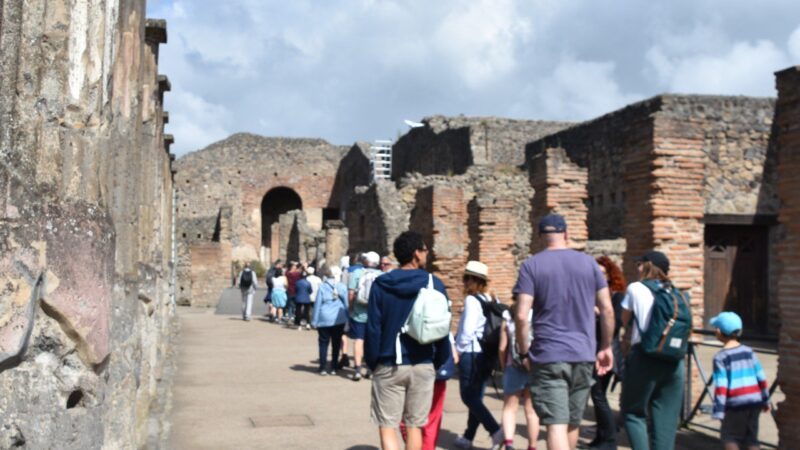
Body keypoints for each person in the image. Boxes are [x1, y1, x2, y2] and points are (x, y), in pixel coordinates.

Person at [513, 214, 614, 450]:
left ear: (540, 237)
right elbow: (607, 310)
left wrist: (524, 351)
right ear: (566, 234)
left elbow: (520, 315)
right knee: (571, 422)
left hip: (549, 355)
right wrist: (606, 347)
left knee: (556, 424)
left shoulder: (531, 265)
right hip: (583, 354)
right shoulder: (589, 263)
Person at [365, 231, 452, 450]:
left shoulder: (381, 284)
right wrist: (439, 360)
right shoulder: (435, 284)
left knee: (388, 425)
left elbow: (374, 328)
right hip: (422, 362)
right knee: (415, 426)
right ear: (415, 254)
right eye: (424, 249)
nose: (427, 253)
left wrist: (373, 362)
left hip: (389, 362)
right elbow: (442, 326)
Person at [620, 251, 683, 450]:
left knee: (633, 413)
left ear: (646, 265)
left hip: (645, 356)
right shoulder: (675, 291)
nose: (636, 268)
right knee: (666, 419)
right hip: (674, 360)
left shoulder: (636, 288)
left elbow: (624, 319)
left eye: (639, 263)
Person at [453, 261, 504, 449]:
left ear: (472, 280)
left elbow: (467, 331)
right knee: (477, 397)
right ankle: (468, 437)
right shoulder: (492, 299)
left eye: (466, 278)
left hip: (472, 353)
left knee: (468, 396)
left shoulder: (472, 301)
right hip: (487, 353)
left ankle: (495, 431)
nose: (463, 282)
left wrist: (457, 350)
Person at [710, 312, 770, 450]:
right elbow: (761, 377)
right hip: (754, 402)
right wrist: (765, 400)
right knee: (752, 439)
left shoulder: (721, 357)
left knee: (730, 437)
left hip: (734, 404)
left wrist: (719, 410)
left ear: (719, 331)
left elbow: (721, 386)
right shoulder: (749, 351)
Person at [588, 256, 626, 450]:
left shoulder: (617, 295)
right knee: (597, 394)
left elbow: (617, 322)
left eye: (603, 273)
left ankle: (610, 440)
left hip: (609, 352)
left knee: (598, 395)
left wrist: (599, 312)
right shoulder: (592, 293)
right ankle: (601, 437)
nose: (600, 276)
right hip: (593, 349)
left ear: (611, 274)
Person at [400, 334, 458, 450]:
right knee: (432, 421)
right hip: (435, 372)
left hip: (408, 368)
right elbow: (454, 357)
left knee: (407, 419)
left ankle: (414, 445)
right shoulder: (441, 317)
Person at [498, 298, 538, 450]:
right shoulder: (538, 314)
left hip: (513, 366)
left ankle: (509, 444)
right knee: (531, 411)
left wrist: (504, 367)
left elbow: (502, 347)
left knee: (510, 408)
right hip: (534, 367)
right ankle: (532, 446)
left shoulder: (508, 315)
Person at [348, 251, 382, 381]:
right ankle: (370, 369)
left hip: (359, 313)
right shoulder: (381, 275)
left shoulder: (357, 273)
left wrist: (350, 308)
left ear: (366, 261)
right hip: (375, 314)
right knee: (372, 342)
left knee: (359, 340)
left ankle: (357, 369)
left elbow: (351, 293)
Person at [311, 265, 349, 375]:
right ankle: (333, 367)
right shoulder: (342, 286)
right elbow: (346, 304)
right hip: (339, 318)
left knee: (323, 343)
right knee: (336, 344)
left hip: (324, 318)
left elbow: (318, 304)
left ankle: (322, 367)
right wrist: (348, 319)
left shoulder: (322, 287)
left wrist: (314, 320)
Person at [340, 253, 364, 370]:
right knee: (362, 336)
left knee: (344, 332)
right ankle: (363, 358)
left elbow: (344, 288)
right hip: (362, 306)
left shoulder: (347, 271)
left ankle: (344, 355)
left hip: (348, 304)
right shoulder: (365, 272)